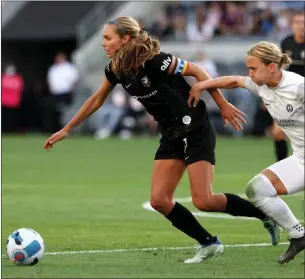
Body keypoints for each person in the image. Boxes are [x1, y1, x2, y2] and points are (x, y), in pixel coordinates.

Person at [44, 17, 279, 264]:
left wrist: (222, 104)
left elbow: (197, 71)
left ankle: (264, 214)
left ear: (124, 39)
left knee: (204, 200)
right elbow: (96, 99)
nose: (103, 43)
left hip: (194, 127)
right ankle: (209, 243)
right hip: (170, 133)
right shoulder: (115, 69)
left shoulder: (156, 61)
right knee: (159, 200)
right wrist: (67, 129)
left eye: (107, 38)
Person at [189, 41, 304, 264]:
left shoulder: (298, 86)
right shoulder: (261, 84)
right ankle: (299, 235)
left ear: (272, 67)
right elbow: (233, 80)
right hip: (301, 158)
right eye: (248, 68)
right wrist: (202, 85)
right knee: (258, 189)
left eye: (253, 68)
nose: (249, 74)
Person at [268, 11, 305, 162]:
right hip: (289, 95)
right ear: (292, 25)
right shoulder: (286, 43)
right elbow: (280, 69)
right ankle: (282, 167)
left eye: (303, 22)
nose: (301, 26)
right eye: (297, 22)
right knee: (277, 132)